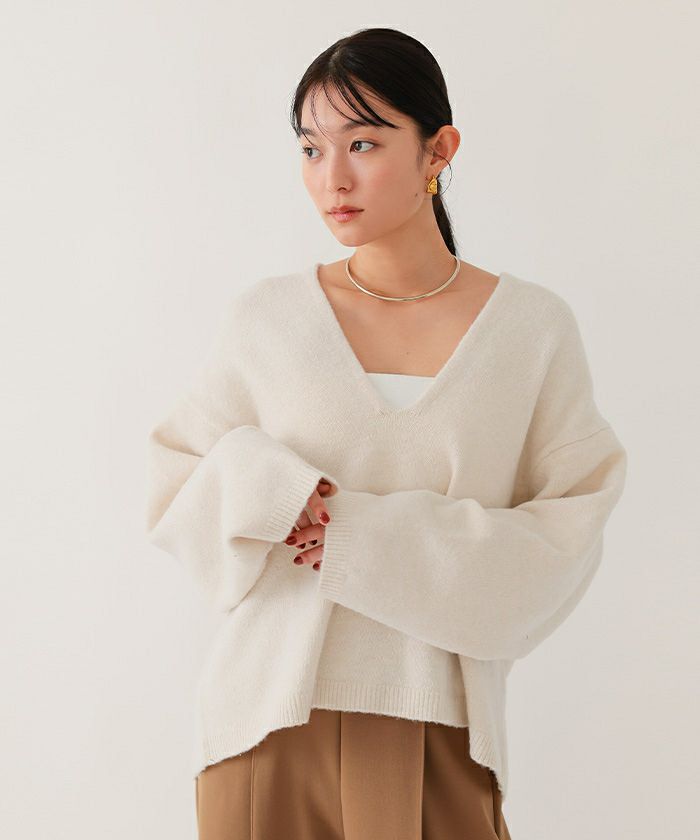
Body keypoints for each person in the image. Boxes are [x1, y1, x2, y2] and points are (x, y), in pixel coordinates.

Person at [145, 27, 627, 840]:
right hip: (264, 727)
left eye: (362, 143)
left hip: (442, 731)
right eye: (310, 148)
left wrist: (362, 537)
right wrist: (273, 487)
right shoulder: (268, 320)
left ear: (439, 150)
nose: (331, 177)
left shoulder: (530, 331)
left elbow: (567, 535)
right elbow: (175, 481)